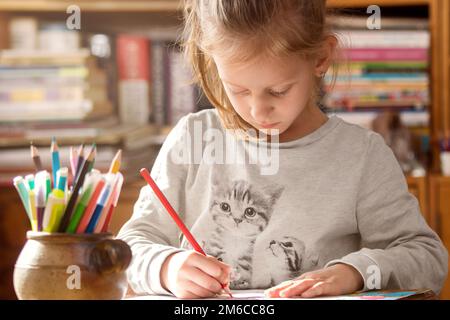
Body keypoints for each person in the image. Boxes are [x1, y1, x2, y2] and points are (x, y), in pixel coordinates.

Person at [117, 0, 448, 299]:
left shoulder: (362, 156)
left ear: (320, 57)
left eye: (277, 91)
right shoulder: (194, 137)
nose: (259, 111)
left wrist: (355, 273)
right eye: (238, 89)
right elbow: (128, 248)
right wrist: (167, 268)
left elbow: (427, 258)